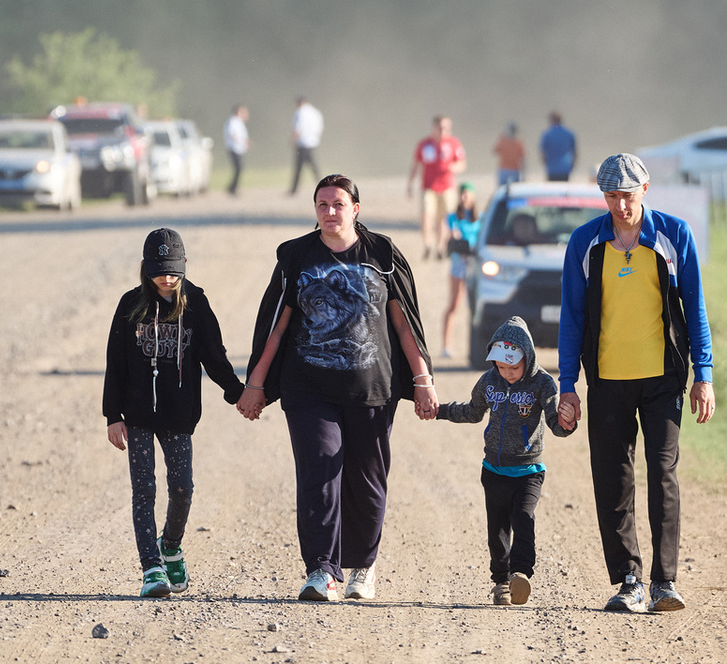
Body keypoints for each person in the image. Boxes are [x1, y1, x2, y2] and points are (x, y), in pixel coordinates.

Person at [237, 174, 438, 603]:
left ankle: (362, 568)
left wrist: (422, 380)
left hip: (372, 388)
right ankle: (321, 571)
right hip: (308, 387)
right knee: (319, 472)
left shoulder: (381, 254)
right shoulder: (297, 256)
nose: (330, 212)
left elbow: (405, 324)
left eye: (338, 204)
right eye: (323, 204)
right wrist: (255, 384)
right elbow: (276, 326)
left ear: (356, 209)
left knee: (368, 481)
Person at [556, 152, 716, 614]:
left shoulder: (673, 235)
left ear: (645, 190)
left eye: (627, 195)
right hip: (607, 380)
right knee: (613, 479)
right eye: (611, 197)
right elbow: (572, 317)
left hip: (662, 379)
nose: (620, 205)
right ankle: (629, 579)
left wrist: (703, 376)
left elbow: (695, 309)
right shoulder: (585, 242)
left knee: (662, 475)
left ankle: (665, 582)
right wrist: (569, 384)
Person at [102, 228, 246, 597]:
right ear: (145, 268)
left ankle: (171, 545)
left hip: (179, 415)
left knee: (182, 489)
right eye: (158, 269)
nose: (166, 278)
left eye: (173, 270)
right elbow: (115, 363)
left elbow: (214, 356)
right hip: (136, 417)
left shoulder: (196, 304)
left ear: (184, 266)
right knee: (144, 489)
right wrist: (112, 415)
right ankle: (151, 568)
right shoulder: (129, 305)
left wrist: (238, 393)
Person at [435, 316, 577, 605]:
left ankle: (521, 574)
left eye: (514, 366)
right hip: (494, 471)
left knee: (524, 519)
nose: (508, 373)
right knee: (497, 531)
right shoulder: (489, 381)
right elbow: (473, 412)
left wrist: (567, 424)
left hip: (528, 471)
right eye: (502, 366)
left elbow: (555, 424)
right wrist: (440, 410)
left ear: (529, 356)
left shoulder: (543, 384)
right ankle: (500, 581)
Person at [407, 115, 466, 260]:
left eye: (446, 127)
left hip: (447, 187)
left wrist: (454, 167)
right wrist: (410, 184)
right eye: (441, 127)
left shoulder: (454, 143)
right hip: (428, 187)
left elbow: (462, 164)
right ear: (434, 128)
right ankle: (427, 244)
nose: (444, 130)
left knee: (443, 218)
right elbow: (415, 165)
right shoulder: (424, 144)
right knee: (426, 214)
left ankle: (440, 246)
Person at [440, 182, 481, 359]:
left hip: (475, 264)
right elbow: (446, 240)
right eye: (462, 194)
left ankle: (477, 346)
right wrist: (450, 237)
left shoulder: (481, 218)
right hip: (458, 265)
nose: (465, 198)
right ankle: (446, 345)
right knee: (454, 304)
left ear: (473, 197)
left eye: (468, 194)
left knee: (476, 307)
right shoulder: (453, 218)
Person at [289, 96, 324, 195]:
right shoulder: (316, 112)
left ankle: (294, 189)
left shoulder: (300, 112)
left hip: (302, 143)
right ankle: (322, 186)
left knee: (298, 167)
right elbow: (320, 128)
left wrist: (292, 140)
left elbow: (298, 128)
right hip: (313, 142)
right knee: (314, 167)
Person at [540, 111, 577, 182]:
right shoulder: (569, 133)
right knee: (564, 191)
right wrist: (572, 165)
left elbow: (542, 153)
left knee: (552, 191)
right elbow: (574, 152)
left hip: (552, 169)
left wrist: (546, 165)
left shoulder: (547, 134)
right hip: (565, 168)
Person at [224, 105, 250, 196]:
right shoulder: (233, 121)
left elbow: (243, 135)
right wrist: (241, 143)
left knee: (239, 169)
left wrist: (245, 143)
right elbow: (233, 134)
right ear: (238, 112)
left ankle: (233, 187)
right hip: (234, 148)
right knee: (238, 168)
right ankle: (232, 188)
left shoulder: (239, 122)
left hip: (238, 149)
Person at [493, 122, 525, 186]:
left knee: (504, 189)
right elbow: (523, 159)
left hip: (507, 170)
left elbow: (495, 151)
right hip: (511, 171)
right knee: (513, 190)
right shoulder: (518, 143)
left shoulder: (504, 141)